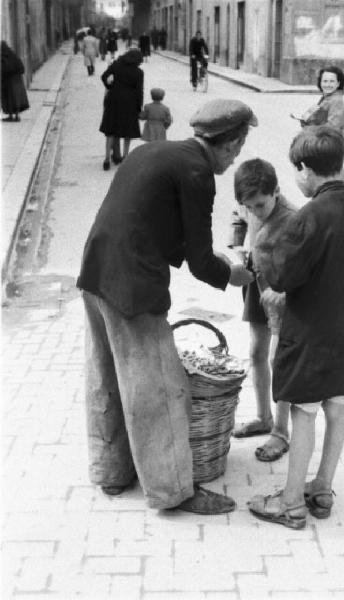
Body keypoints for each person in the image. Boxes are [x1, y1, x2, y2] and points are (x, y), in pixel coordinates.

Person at [76, 98, 257, 514]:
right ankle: (174, 491)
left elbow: (150, 218)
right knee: (160, 387)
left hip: (95, 269)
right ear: (230, 145)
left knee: (105, 374)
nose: (234, 160)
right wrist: (233, 276)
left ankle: (112, 471)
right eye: (237, 150)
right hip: (132, 285)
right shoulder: (196, 172)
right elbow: (198, 257)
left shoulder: (151, 151)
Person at [247, 126, 344, 529]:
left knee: (303, 414)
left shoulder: (310, 216)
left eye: (296, 172)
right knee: (335, 409)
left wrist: (262, 264)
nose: (297, 181)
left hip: (310, 334)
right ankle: (321, 488)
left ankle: (289, 504)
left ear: (305, 168)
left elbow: (283, 273)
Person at [229, 159, 296, 463]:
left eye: (260, 205)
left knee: (277, 359)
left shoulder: (294, 219)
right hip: (256, 286)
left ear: (277, 192)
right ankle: (263, 417)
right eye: (250, 206)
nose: (255, 211)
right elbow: (238, 216)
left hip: (282, 294)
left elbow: (304, 266)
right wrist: (236, 244)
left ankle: (281, 433)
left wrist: (282, 293)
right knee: (257, 353)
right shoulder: (248, 204)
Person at [292, 66, 344, 187]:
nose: (328, 84)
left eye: (332, 81)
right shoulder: (327, 97)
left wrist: (311, 128)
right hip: (324, 145)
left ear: (339, 83)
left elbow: (333, 128)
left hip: (331, 147)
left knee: (334, 180)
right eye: (325, 81)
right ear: (320, 82)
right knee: (332, 180)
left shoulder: (337, 101)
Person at [99, 48, 144, 170]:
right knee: (127, 132)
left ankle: (107, 159)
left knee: (111, 131)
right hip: (129, 103)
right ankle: (125, 157)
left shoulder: (116, 65)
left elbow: (104, 76)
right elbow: (139, 92)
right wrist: (139, 107)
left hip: (113, 99)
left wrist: (110, 85)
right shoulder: (138, 72)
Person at [1, 41, 29, 122]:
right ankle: (16, 116)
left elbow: (5, 69)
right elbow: (21, 68)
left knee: (9, 98)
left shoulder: (3, 57)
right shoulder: (13, 54)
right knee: (15, 99)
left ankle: (11, 116)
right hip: (17, 81)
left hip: (9, 81)